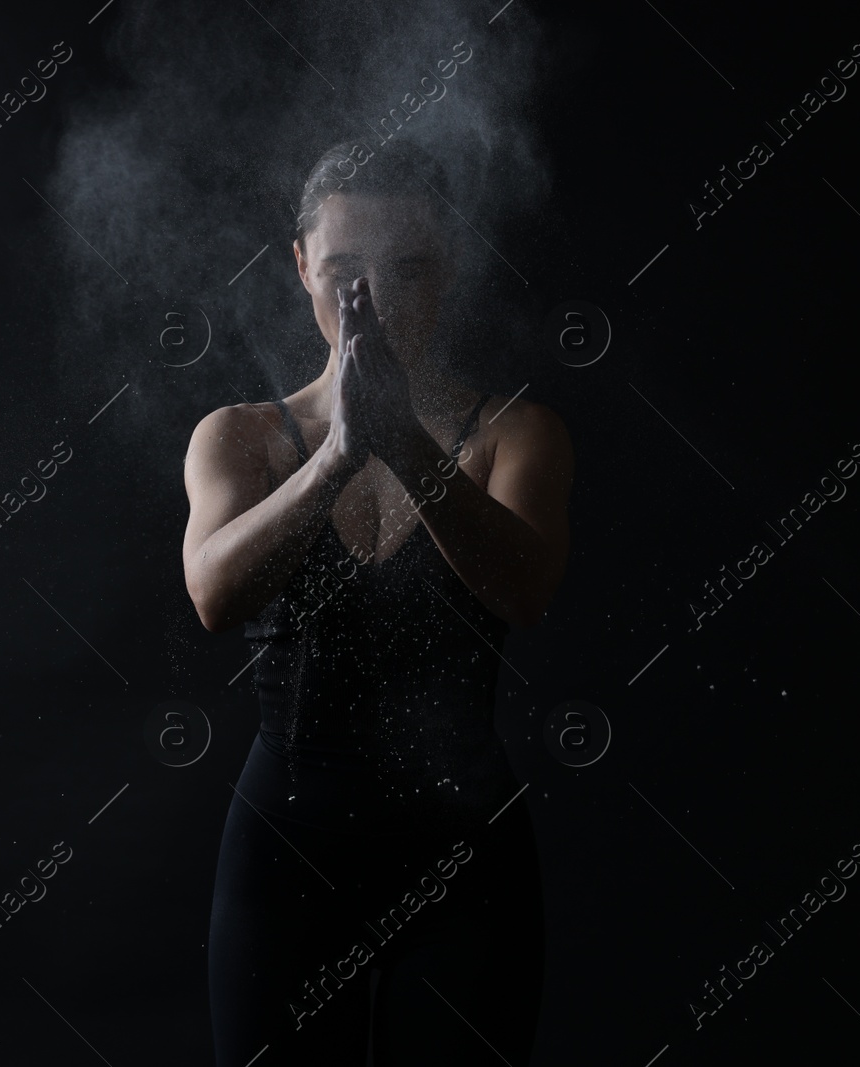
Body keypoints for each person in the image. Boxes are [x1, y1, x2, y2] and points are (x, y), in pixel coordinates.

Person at [182, 139, 573, 1065]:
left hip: (465, 851)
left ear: (452, 266)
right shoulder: (240, 435)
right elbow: (212, 595)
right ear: (300, 268)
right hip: (282, 851)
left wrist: (405, 441)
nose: (376, 298)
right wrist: (340, 453)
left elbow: (526, 591)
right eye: (346, 270)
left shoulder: (516, 431)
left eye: (409, 268)